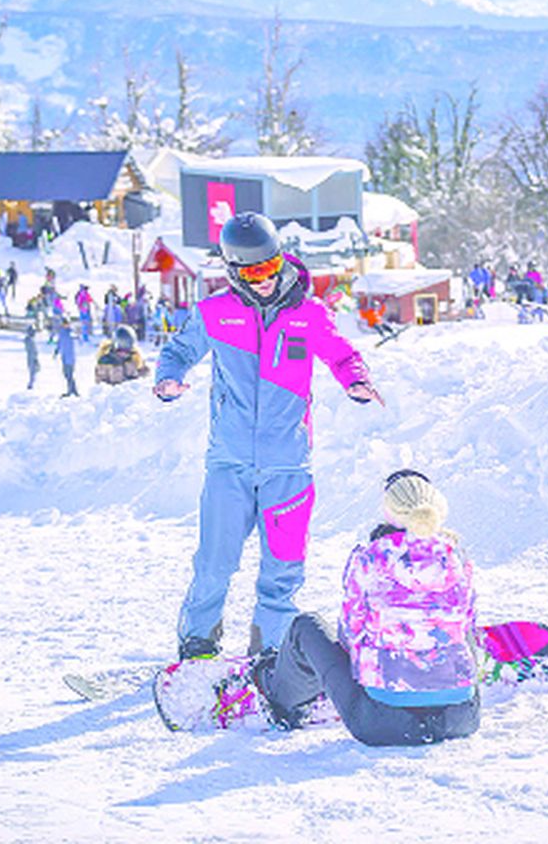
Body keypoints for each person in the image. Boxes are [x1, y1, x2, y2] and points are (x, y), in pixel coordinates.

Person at [153, 211, 382, 661]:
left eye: (270, 268)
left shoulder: (308, 315)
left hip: (289, 466)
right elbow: (178, 350)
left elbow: (342, 354)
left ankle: (271, 649)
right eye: (252, 272)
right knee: (215, 564)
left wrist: (355, 379)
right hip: (229, 463)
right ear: (234, 272)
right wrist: (169, 378)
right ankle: (198, 640)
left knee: (283, 570)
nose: (264, 280)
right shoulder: (214, 313)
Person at [254, 469, 480, 747]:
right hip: (461, 717)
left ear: (389, 511)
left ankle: (282, 701)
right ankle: (447, 678)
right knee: (459, 632)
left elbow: (350, 634)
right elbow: (468, 622)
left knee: (306, 627)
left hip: (382, 721)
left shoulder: (370, 558)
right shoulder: (457, 557)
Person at [54, 317, 79, 397]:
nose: (65, 325)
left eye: (66, 323)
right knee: (66, 374)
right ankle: (72, 390)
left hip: (70, 357)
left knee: (69, 374)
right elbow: (59, 343)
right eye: (64, 323)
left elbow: (77, 338)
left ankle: (72, 391)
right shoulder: (62, 332)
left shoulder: (71, 332)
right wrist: (56, 351)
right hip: (64, 356)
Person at [24, 324, 40, 389]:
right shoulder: (30, 341)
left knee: (34, 371)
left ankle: (32, 384)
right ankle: (31, 385)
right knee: (33, 371)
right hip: (32, 358)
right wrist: (35, 359)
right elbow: (33, 351)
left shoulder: (29, 340)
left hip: (31, 357)